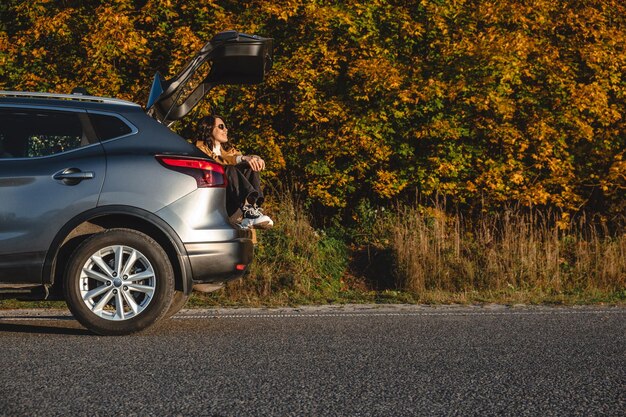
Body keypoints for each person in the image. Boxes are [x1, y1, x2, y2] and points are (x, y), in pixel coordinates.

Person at [195, 115, 274, 229]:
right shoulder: (199, 148)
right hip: (215, 202)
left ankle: (252, 209)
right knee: (229, 169)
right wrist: (242, 158)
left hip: (234, 204)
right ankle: (248, 211)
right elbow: (218, 161)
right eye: (221, 126)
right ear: (208, 128)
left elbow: (241, 157)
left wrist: (255, 159)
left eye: (226, 127)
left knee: (249, 166)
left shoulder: (229, 150)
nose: (226, 130)